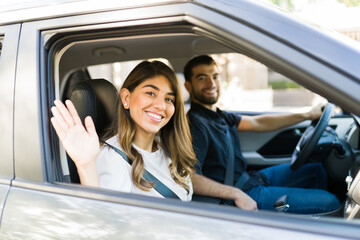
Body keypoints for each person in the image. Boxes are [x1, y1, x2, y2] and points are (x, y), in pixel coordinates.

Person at [184, 55, 340, 213]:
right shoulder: (194, 125)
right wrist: (235, 193)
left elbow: (258, 122)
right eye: (202, 78)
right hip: (240, 193)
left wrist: (307, 115)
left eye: (215, 76)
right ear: (188, 86)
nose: (211, 83)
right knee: (330, 203)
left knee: (316, 170)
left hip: (248, 179)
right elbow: (190, 178)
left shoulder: (219, 115)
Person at [51, 60, 197, 201]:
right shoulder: (112, 157)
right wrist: (86, 165)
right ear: (126, 98)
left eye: (169, 99)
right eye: (150, 93)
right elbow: (106, 218)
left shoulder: (168, 148)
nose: (161, 105)